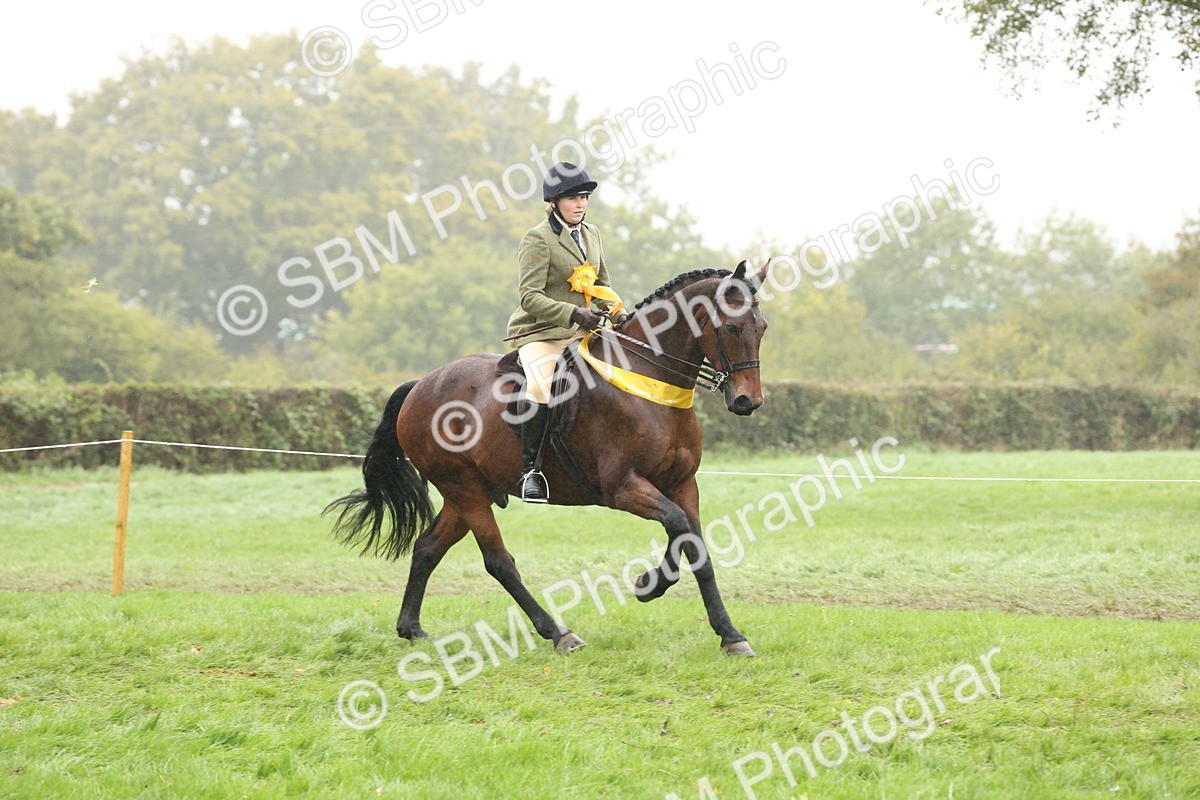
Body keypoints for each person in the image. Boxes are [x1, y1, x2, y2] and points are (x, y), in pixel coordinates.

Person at [505, 162, 627, 503]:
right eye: (573, 198)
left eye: (585, 197)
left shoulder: (593, 234)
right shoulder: (538, 239)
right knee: (543, 384)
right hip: (542, 331)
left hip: (583, 330)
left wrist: (617, 310)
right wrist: (573, 313)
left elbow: (601, 283)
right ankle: (531, 471)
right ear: (555, 202)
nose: (581, 204)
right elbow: (529, 297)